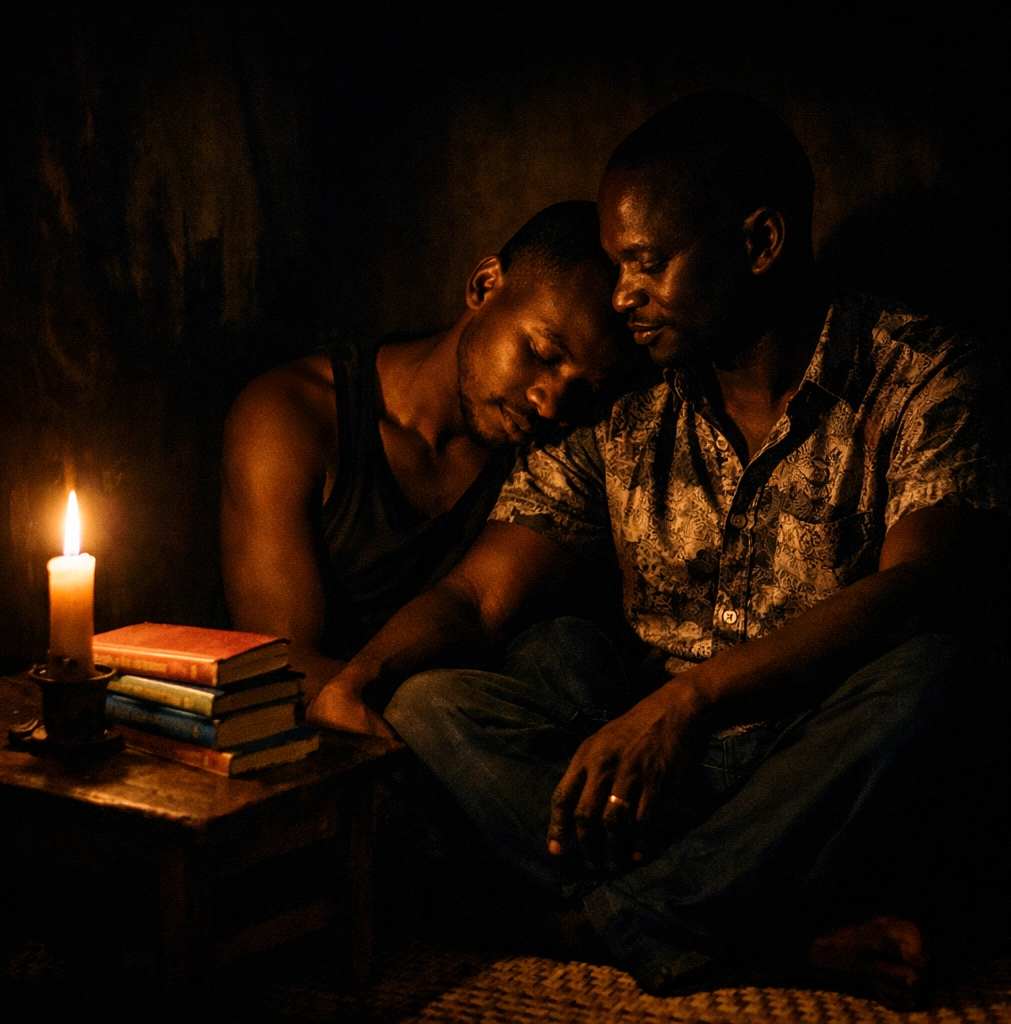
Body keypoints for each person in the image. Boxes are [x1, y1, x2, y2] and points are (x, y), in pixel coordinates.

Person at [309, 94, 1010, 1006]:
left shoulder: (925, 377)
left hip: (814, 766)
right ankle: (758, 925)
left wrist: (691, 703)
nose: (622, 296)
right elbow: (480, 595)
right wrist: (358, 678)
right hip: (649, 780)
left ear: (758, 243)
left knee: (939, 676)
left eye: (644, 264)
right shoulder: (627, 400)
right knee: (446, 690)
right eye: (614, 267)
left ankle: (598, 926)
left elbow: (917, 588)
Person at [221, 201, 636, 730]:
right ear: (485, 286)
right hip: (359, 743)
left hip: (493, 743)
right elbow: (284, 666)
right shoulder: (293, 415)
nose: (550, 402)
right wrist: (430, 738)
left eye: (584, 389)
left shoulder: (558, 449)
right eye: (542, 352)